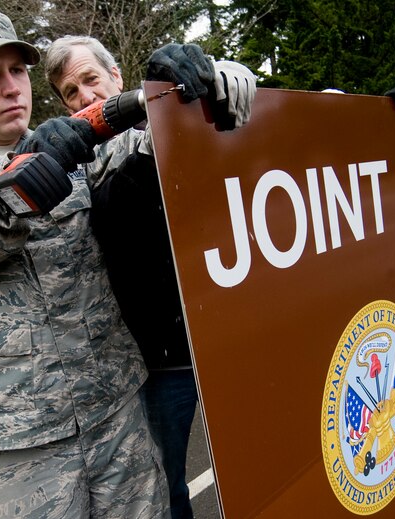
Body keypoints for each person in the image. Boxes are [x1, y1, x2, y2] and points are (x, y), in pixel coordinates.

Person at [0, 8, 233, 518]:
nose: (11, 87)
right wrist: (9, 192)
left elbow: (163, 148)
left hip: (116, 410)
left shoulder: (71, 143)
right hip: (20, 439)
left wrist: (175, 90)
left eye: (17, 71)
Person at [43, 35, 256, 519]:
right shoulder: (73, 165)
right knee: (166, 483)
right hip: (159, 364)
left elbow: (253, 143)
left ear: (116, 77)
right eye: (70, 93)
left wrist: (226, 80)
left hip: (235, 339)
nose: (84, 98)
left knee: (267, 460)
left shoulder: (177, 117)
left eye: (90, 80)